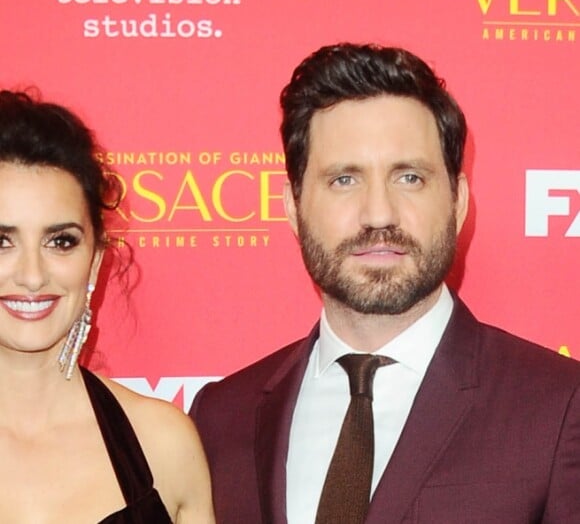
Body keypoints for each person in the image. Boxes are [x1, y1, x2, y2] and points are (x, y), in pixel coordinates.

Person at [190, 43, 580, 523]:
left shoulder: (561, 407)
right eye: (344, 180)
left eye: (410, 177)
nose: (379, 214)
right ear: (293, 206)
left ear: (458, 202)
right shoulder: (221, 416)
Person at [0, 89, 215, 523]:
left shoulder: (162, 443)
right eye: (1, 242)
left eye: (60, 242)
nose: (32, 275)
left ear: (95, 259)